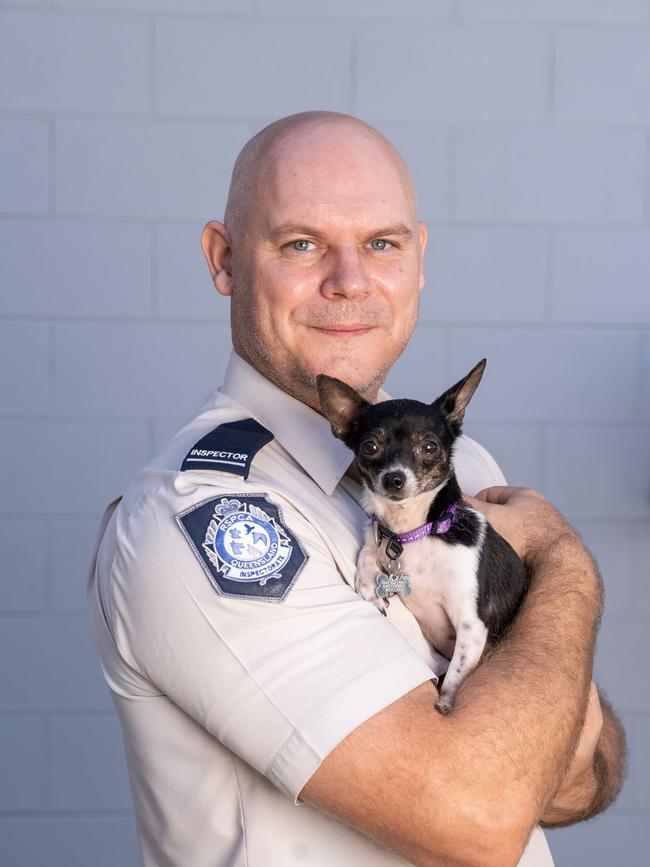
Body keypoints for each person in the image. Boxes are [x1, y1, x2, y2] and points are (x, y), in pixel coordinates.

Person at [86, 111, 626, 867]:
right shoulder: (202, 519)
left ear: (419, 258)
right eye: (302, 243)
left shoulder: (461, 472)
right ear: (225, 259)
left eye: (381, 243)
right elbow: (483, 816)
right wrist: (563, 561)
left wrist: (527, 734)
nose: (350, 281)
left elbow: (585, 779)